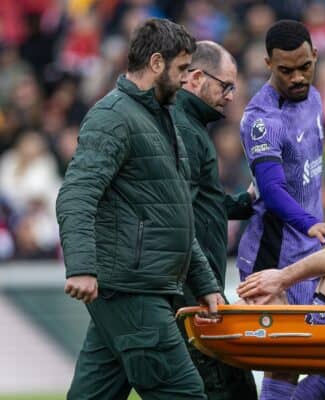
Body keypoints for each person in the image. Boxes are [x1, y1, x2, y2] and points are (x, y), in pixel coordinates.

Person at [56, 19, 223, 400]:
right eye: (182, 69)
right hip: (133, 290)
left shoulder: (159, 118)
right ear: (157, 62)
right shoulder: (113, 116)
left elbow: (173, 214)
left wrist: (205, 284)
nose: (185, 80)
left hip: (134, 288)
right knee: (184, 393)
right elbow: (76, 194)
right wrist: (81, 266)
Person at [237, 19, 325, 400]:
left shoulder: (315, 98)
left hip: (310, 254)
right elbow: (271, 187)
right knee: (285, 364)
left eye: (305, 67)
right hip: (271, 257)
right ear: (267, 63)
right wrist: (311, 222)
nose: (298, 77)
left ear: (315, 55)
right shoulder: (260, 120)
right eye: (286, 70)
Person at [171, 40, 258, 400]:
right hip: (192, 286)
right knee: (223, 385)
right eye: (225, 86)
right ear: (195, 78)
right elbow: (179, 214)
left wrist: (245, 202)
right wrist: (204, 286)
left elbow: (202, 202)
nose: (230, 96)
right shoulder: (183, 129)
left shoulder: (191, 126)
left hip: (190, 282)